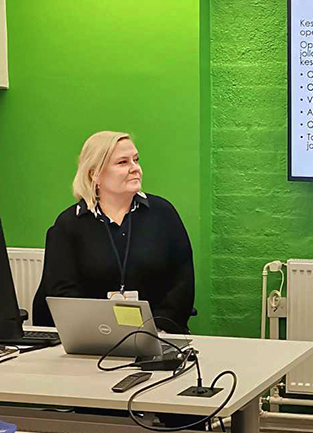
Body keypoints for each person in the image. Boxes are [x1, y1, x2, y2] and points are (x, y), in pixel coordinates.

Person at [33, 131, 194, 332]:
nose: (135, 168)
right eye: (123, 163)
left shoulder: (163, 213)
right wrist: (99, 331)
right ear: (95, 174)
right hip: (92, 336)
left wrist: (158, 329)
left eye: (136, 160)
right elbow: (62, 291)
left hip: (159, 335)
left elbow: (182, 283)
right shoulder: (69, 224)